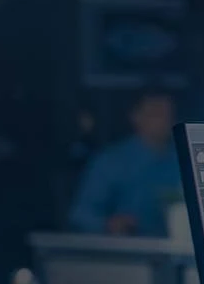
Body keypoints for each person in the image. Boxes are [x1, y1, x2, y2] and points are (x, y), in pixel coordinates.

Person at [68, 91, 182, 236]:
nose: (165, 120)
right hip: (124, 247)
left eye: (169, 114)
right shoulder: (110, 161)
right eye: (157, 113)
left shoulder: (183, 160)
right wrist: (109, 224)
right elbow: (80, 215)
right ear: (136, 117)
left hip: (179, 246)